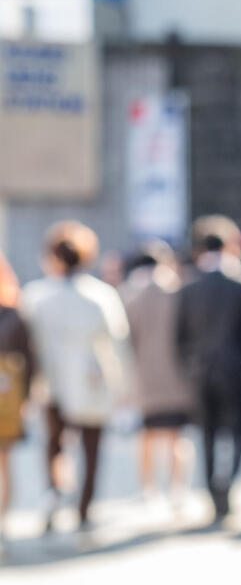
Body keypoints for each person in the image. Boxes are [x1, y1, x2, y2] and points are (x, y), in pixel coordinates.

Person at [21, 221, 133, 532]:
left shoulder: (37, 296)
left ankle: (55, 494)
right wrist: (123, 386)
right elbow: (117, 343)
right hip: (91, 381)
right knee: (91, 448)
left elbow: (28, 344)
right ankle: (84, 506)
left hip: (51, 381)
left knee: (54, 445)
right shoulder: (100, 296)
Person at [176, 216, 241, 524]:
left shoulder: (188, 289)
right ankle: (228, 484)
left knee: (208, 434)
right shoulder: (240, 287)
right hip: (233, 368)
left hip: (200, 371)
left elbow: (179, 338)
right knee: (236, 430)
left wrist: (187, 367)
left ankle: (214, 491)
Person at [121, 242, 195, 502]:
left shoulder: (129, 294)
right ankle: (178, 488)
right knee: (177, 437)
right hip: (177, 376)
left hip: (143, 377)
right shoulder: (179, 291)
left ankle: (147, 488)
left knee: (146, 437)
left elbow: (124, 340)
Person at [0, 252, 33, 544]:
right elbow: (30, 361)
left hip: (7, 399)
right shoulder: (14, 316)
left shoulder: (15, 316)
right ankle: (3, 524)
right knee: (5, 464)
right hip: (7, 399)